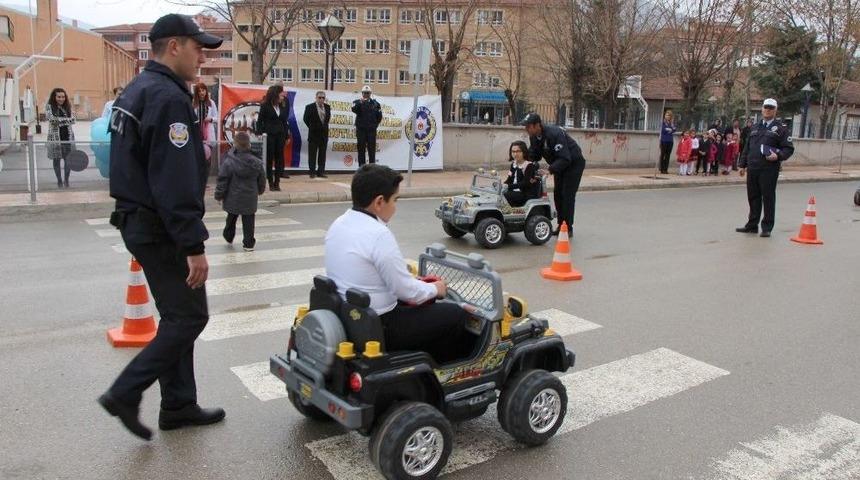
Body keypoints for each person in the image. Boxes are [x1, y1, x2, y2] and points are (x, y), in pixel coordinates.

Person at [98, 14, 224, 441]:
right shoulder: (168, 98)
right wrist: (193, 245)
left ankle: (179, 404)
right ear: (174, 46)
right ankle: (125, 391)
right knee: (190, 318)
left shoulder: (139, 89)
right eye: (198, 48)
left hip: (141, 221)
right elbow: (173, 180)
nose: (203, 57)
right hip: (161, 227)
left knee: (176, 316)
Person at [324, 164, 469, 355]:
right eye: (395, 200)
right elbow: (406, 291)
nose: (395, 207)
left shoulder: (339, 223)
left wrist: (417, 284)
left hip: (351, 316)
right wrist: (437, 289)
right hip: (382, 325)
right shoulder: (378, 234)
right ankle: (443, 374)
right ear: (379, 202)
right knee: (456, 314)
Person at [736, 98, 794, 238]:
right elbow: (747, 148)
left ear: (775, 110)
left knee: (768, 197)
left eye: (771, 108)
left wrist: (778, 156)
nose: (767, 110)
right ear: (762, 109)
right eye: (765, 107)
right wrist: (742, 165)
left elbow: (788, 149)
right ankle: (752, 225)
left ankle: (767, 227)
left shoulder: (781, 129)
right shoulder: (755, 127)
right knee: (753, 197)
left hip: (769, 168)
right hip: (753, 167)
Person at [520, 112, 585, 237]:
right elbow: (535, 154)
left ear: (537, 125)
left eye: (528, 126)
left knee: (567, 195)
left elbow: (565, 158)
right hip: (559, 165)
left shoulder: (554, 133)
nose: (526, 129)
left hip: (573, 164)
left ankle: (567, 228)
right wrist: (526, 163)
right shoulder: (534, 136)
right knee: (557, 195)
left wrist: (550, 170)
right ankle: (561, 225)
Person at [214, 131, 266, 251]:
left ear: (235, 144)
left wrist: (219, 195)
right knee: (249, 220)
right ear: (249, 144)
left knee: (231, 217)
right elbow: (262, 179)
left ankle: (228, 235)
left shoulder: (229, 161)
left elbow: (222, 180)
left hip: (233, 197)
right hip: (250, 197)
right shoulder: (257, 162)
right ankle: (248, 243)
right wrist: (260, 190)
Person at [257, 84, 290, 189]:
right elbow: (259, 121)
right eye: (281, 95)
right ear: (275, 95)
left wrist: (287, 136)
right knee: (269, 159)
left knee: (279, 158)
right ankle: (270, 182)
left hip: (280, 135)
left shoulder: (282, 106)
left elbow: (284, 121)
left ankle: (277, 182)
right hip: (269, 135)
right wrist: (260, 133)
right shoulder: (265, 105)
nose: (282, 97)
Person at [45, 87, 76, 189]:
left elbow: (73, 120)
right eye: (59, 97)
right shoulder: (49, 106)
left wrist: (60, 120)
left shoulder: (68, 106)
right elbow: (52, 120)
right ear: (54, 97)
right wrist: (67, 120)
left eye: (63, 97)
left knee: (68, 161)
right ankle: (59, 181)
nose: (61, 99)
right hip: (55, 139)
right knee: (56, 161)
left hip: (68, 138)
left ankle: (66, 180)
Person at [351, 85, 382, 166]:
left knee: (371, 150)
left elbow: (379, 116)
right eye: (364, 93)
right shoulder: (357, 102)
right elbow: (354, 109)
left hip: (371, 130)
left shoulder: (376, 104)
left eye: (368, 93)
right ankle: (362, 168)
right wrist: (361, 102)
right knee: (361, 149)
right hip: (361, 130)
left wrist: (375, 125)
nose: (366, 95)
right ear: (362, 93)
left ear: (370, 93)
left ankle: (372, 168)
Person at [303, 90, 331, 178]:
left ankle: (321, 171)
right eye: (319, 97)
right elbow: (305, 119)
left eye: (323, 98)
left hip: (324, 135)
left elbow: (327, 119)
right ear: (316, 98)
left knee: (322, 155)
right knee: (312, 154)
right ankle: (312, 172)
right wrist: (312, 127)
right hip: (313, 134)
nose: (321, 99)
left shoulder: (327, 107)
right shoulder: (309, 107)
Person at [503, 140, 540, 207]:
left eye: (518, 151)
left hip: (525, 193)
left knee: (505, 195)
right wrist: (503, 185)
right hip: (514, 192)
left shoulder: (529, 165)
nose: (515, 154)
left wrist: (509, 186)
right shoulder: (513, 164)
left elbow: (525, 183)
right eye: (513, 151)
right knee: (497, 193)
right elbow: (509, 179)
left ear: (524, 152)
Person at [192, 82, 218, 161]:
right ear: (196, 93)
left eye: (203, 90)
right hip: (197, 133)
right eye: (199, 91)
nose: (201, 93)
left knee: (208, 157)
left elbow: (217, 118)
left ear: (206, 91)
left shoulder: (211, 103)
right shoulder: (193, 103)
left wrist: (210, 119)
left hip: (208, 134)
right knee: (197, 157)